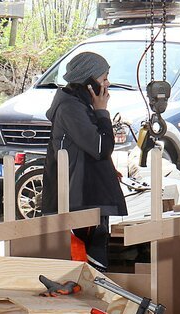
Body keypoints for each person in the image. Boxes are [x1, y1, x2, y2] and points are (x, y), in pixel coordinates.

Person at [41, 51, 127, 271]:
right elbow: (101, 148)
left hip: (87, 196)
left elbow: (91, 150)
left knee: (94, 262)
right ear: (89, 81)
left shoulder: (80, 104)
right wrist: (102, 112)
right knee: (88, 265)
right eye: (104, 78)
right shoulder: (71, 108)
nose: (107, 84)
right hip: (80, 199)